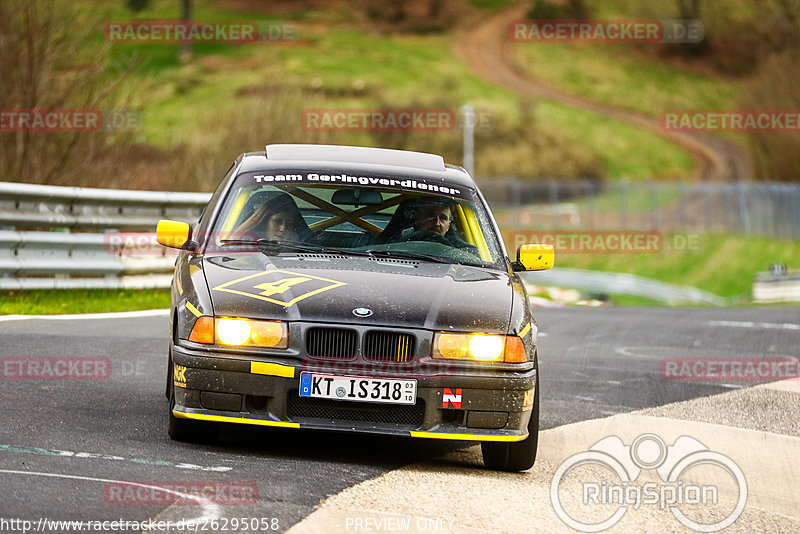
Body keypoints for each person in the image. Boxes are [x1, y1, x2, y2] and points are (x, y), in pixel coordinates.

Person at [235, 192, 306, 242]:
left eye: (289, 223)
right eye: (277, 222)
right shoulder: (239, 247)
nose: (283, 228)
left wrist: (289, 249)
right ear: (265, 223)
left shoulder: (302, 251)